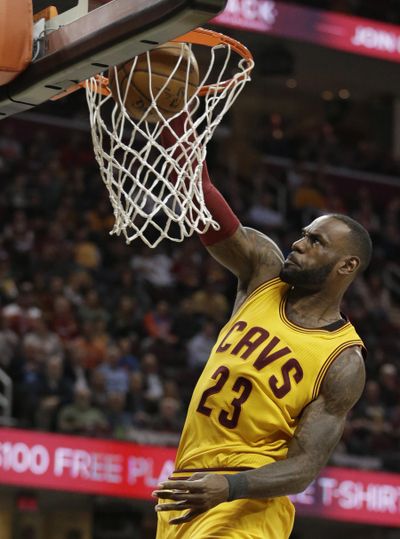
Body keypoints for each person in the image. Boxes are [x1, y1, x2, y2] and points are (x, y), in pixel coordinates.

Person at [153, 116, 372, 539]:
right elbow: (204, 200)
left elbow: (303, 466)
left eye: (316, 242)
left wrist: (231, 486)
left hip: (245, 507)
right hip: (189, 486)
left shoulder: (342, 360)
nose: (298, 243)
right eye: (304, 234)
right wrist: (175, 126)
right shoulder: (263, 272)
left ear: (346, 266)